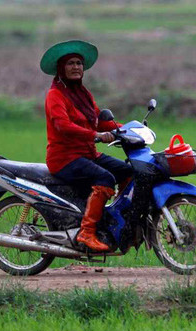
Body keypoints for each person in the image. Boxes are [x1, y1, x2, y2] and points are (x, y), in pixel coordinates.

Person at [40, 40, 133, 251]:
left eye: (79, 63)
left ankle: (114, 218)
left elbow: (99, 120)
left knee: (128, 171)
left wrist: (127, 129)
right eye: (70, 63)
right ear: (61, 69)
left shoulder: (83, 94)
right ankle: (87, 232)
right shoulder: (55, 95)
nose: (76, 67)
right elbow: (63, 126)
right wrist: (96, 135)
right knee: (105, 178)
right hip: (65, 158)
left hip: (87, 154)